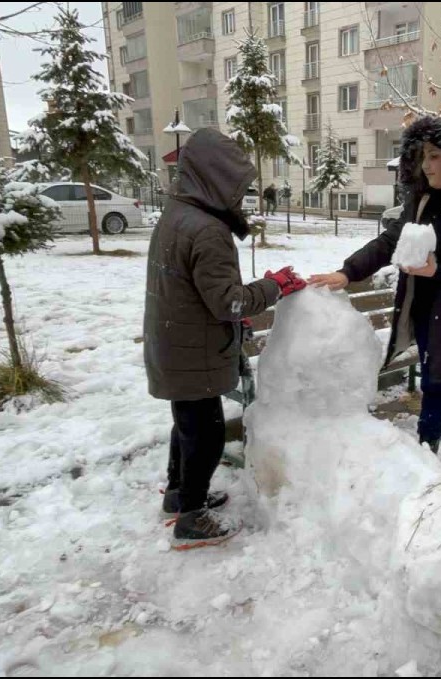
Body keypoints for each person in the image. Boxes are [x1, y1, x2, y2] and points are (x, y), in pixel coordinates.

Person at [309, 115, 441, 465]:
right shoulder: (422, 203)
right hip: (429, 316)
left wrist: (439, 270)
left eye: (434, 156)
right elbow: (389, 242)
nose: (425, 165)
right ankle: (426, 448)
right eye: (421, 156)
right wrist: (347, 272)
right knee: (434, 380)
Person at [144, 129, 306, 548]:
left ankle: (180, 494)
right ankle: (191, 518)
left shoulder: (176, 214)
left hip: (175, 343)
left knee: (187, 425)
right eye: (236, 188)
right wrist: (274, 286)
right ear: (215, 180)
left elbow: (195, 292)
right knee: (208, 434)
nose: (241, 197)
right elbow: (228, 302)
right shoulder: (208, 231)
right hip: (193, 351)